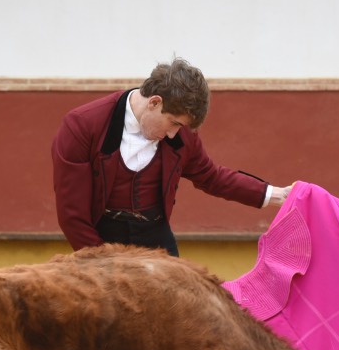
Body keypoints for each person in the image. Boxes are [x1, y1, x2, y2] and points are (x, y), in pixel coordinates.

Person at [51, 57, 294, 256]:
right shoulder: (83, 126)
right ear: (154, 102)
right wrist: (102, 264)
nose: (172, 134)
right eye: (173, 123)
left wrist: (277, 195)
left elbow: (212, 177)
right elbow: (72, 215)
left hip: (156, 237)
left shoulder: (182, 134)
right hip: (101, 239)